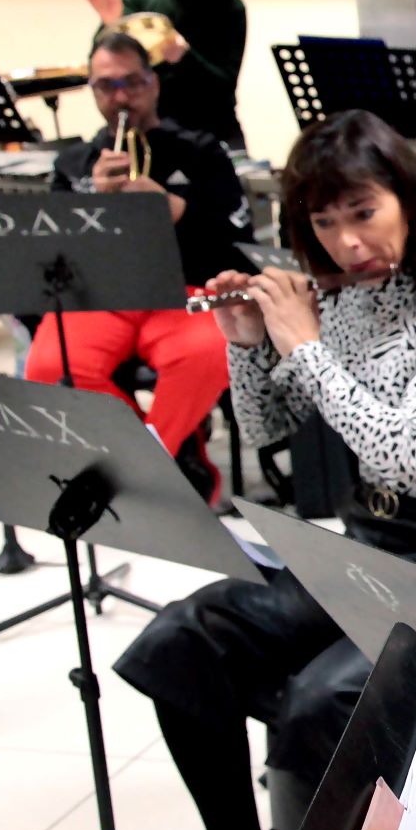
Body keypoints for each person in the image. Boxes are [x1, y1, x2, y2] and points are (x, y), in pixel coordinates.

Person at [112, 110, 416, 830]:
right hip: (367, 553)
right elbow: (268, 431)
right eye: (324, 224)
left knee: (317, 703)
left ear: (407, 201)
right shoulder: (335, 299)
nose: (346, 242)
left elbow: (403, 453)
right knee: (187, 638)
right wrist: (249, 344)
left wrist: (302, 345)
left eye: (362, 212)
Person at [23, 31, 252, 504]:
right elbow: (57, 258)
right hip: (105, 294)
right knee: (48, 366)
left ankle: (147, 472)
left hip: (186, 289)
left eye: (133, 82)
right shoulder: (74, 163)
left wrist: (175, 209)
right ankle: (162, 454)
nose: (121, 96)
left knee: (207, 355)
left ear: (154, 83)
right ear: (92, 90)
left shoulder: (202, 150)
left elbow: (237, 241)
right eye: (108, 86)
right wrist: (93, 204)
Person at [86, 0, 248, 149]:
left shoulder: (229, 8)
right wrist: (110, 24)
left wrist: (184, 57)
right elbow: (103, 67)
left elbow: (223, 88)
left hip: (211, 131)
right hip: (149, 129)